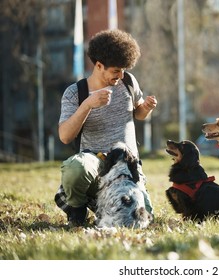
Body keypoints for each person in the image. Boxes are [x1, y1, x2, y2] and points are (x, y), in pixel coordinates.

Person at [54, 29, 157, 226]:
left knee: (143, 220)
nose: (120, 75)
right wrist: (88, 105)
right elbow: (65, 136)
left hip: (128, 168)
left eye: (123, 70)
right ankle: (77, 211)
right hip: (96, 165)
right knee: (75, 168)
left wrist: (146, 108)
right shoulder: (76, 93)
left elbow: (139, 114)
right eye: (115, 71)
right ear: (99, 65)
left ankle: (107, 208)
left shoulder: (128, 81)